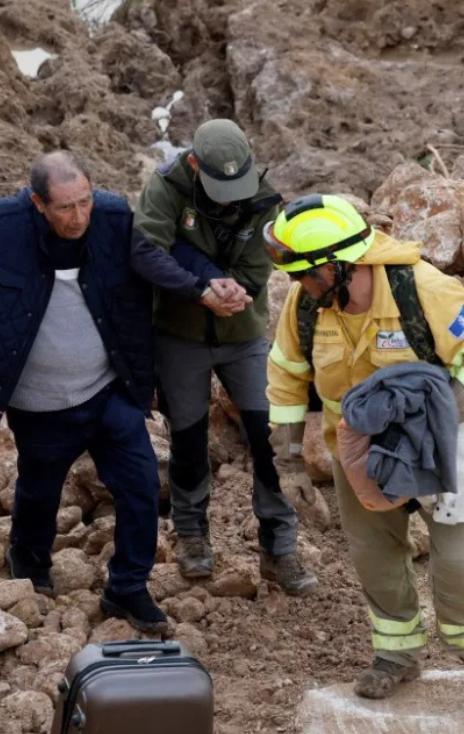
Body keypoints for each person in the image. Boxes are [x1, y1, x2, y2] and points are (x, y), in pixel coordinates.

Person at [0, 151, 218, 634]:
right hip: (39, 402)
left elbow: (167, 246)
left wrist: (209, 282)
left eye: (85, 202)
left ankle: (128, 588)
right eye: (65, 208)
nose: (79, 217)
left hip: (107, 389)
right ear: (37, 203)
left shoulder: (113, 217)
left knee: (139, 486)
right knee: (40, 487)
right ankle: (29, 562)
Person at [264, 193, 464, 699]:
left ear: (340, 265)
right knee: (374, 553)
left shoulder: (425, 290)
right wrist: (288, 462)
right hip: (356, 451)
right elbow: (287, 377)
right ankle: (396, 653)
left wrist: (435, 420)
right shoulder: (307, 305)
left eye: (307, 274)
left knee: (460, 557)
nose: (300, 286)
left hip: (442, 440)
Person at [133, 119, 315, 593]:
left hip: (243, 332)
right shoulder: (167, 187)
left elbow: (257, 265)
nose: (231, 197)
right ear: (194, 165)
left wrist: (234, 290)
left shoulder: (261, 195)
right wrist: (199, 289)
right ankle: (192, 535)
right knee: (189, 439)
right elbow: (146, 250)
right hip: (180, 334)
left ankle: (280, 547)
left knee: (271, 434)